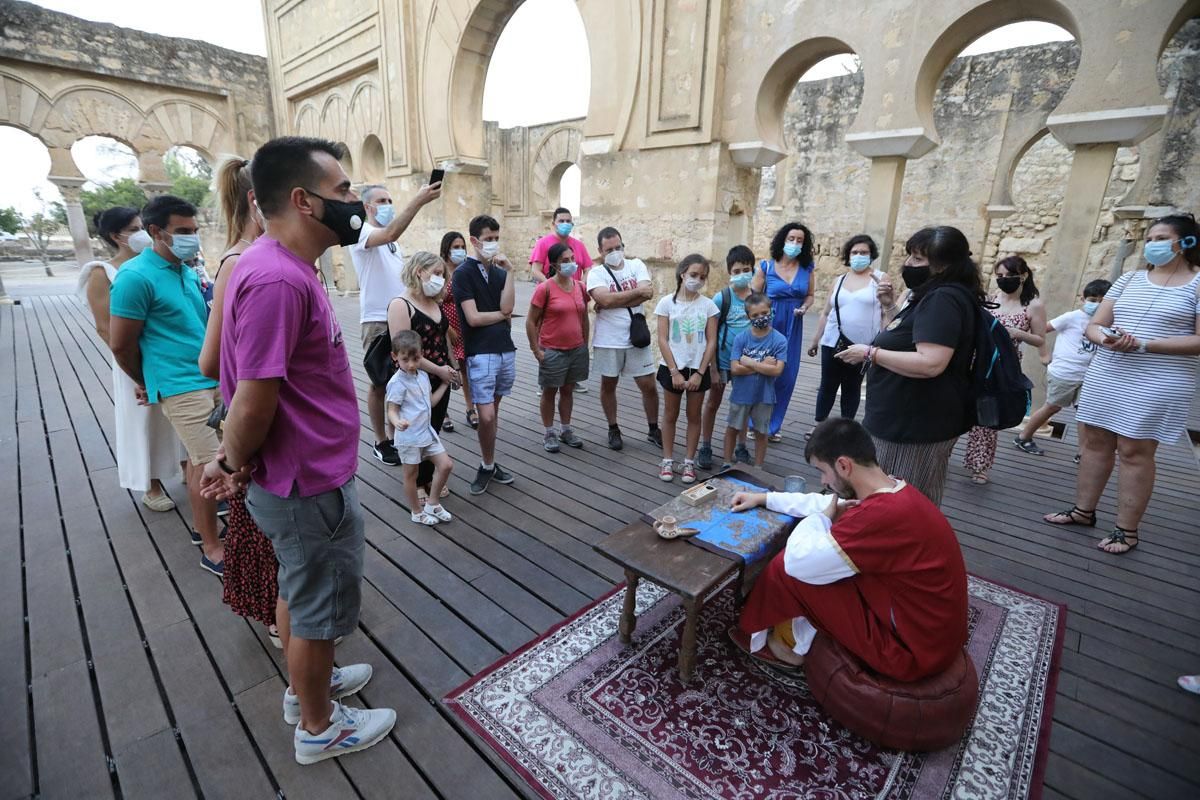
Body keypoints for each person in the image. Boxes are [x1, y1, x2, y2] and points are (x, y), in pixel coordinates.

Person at [201, 136, 394, 764]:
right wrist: (229, 464)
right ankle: (319, 727)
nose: (353, 201)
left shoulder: (266, 262)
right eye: (341, 190)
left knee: (298, 587)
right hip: (307, 483)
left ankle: (306, 687)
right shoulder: (280, 279)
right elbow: (254, 400)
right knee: (317, 606)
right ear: (303, 200)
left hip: (292, 476)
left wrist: (236, 461)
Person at [727, 418, 968, 680]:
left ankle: (788, 648)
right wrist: (765, 498)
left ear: (843, 465)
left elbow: (798, 561)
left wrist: (822, 520)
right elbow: (833, 504)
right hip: (932, 638)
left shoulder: (880, 516)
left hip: (910, 654)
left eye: (822, 471)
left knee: (788, 569)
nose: (823, 480)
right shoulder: (893, 490)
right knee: (821, 558)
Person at [1044, 214, 1200, 555]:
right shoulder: (1129, 279)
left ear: (1186, 243)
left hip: (1159, 379)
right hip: (1109, 372)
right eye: (1149, 238)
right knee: (1095, 441)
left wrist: (1144, 344)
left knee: (1134, 450)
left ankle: (1126, 531)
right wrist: (1106, 338)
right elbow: (1095, 325)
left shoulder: (1198, 284)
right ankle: (1083, 511)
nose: (1151, 244)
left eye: (1160, 237)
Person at [109, 194, 224, 575]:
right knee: (212, 466)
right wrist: (146, 381)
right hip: (180, 386)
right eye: (183, 231)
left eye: (195, 230)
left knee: (198, 463)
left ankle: (200, 528)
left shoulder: (184, 270)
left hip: (210, 378)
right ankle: (212, 547)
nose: (192, 238)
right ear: (156, 232)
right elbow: (121, 344)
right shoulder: (135, 277)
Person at [198, 156, 282, 644]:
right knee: (263, 524)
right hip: (250, 411)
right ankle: (277, 613)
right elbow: (211, 361)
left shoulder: (248, 256)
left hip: (257, 411)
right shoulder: (242, 261)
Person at [835, 227, 979, 508]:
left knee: (904, 502)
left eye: (917, 259)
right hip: (901, 421)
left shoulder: (943, 300)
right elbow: (903, 337)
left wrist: (869, 353)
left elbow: (931, 363)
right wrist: (890, 307)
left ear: (943, 265)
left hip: (914, 427)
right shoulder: (929, 296)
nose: (909, 265)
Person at [77, 206, 182, 513]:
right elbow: (105, 327)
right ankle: (150, 486)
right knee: (143, 420)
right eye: (134, 228)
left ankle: (187, 469)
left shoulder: (152, 265)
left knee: (175, 414)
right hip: (133, 360)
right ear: (115, 236)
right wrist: (137, 371)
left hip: (164, 353)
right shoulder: (102, 272)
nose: (142, 233)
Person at [347, 181, 442, 466]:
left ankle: (397, 434)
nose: (389, 205)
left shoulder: (391, 243)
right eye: (382, 200)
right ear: (367, 207)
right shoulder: (362, 232)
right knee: (379, 381)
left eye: (390, 200)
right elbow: (392, 229)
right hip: (377, 318)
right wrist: (420, 199)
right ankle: (380, 440)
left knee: (402, 375)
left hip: (401, 315)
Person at [962, 256, 1046, 484]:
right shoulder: (991, 298)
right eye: (999, 276)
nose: (1004, 280)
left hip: (1004, 366)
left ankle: (980, 466)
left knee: (988, 415)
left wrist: (1018, 333)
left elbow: (1040, 339)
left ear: (1024, 275)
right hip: (977, 359)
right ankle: (945, 452)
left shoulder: (1033, 304)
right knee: (959, 409)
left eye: (1009, 275)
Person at [386, 250, 459, 506]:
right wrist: (438, 370)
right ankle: (416, 481)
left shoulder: (435, 303)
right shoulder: (400, 304)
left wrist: (451, 366)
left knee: (433, 428)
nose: (440, 279)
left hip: (440, 377)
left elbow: (443, 338)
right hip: (414, 380)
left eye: (443, 275)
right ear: (420, 271)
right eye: (436, 273)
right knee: (414, 431)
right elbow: (404, 351)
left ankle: (428, 477)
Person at [452, 214, 518, 496]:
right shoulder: (463, 273)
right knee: (487, 416)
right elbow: (473, 318)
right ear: (475, 241)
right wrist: (501, 316)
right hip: (480, 353)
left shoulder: (501, 272)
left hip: (505, 350)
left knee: (494, 411)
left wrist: (512, 273)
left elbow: (509, 307)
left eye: (496, 238)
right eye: (488, 239)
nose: (493, 244)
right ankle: (486, 462)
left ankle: (489, 464)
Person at [1013, 279, 1112, 456]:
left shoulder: (1107, 323)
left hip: (1088, 375)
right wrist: (1044, 353)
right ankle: (1024, 436)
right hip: (1064, 373)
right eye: (1093, 299)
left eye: (1102, 301)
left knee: (1084, 412)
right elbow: (1041, 331)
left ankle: (1084, 453)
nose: (1096, 304)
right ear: (1083, 299)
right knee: (1052, 406)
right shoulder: (1072, 317)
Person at [587, 227, 661, 451]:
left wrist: (609, 301)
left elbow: (647, 292)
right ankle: (613, 428)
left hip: (635, 337)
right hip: (608, 339)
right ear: (600, 251)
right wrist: (629, 297)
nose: (615, 252)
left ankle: (653, 428)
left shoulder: (636, 265)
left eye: (618, 247)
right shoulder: (596, 273)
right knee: (609, 384)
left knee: (648, 384)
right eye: (609, 249)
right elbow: (604, 300)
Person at [654, 254, 719, 483]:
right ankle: (668, 460)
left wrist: (701, 372)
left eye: (702, 277)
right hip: (673, 367)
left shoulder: (708, 306)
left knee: (694, 415)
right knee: (670, 414)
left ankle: (689, 461)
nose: (697, 280)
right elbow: (662, 339)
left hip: (697, 369)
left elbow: (711, 341)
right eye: (693, 275)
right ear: (682, 273)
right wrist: (674, 371)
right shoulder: (666, 303)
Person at [806, 234, 884, 425]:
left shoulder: (880, 278)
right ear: (848, 256)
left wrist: (882, 344)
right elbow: (826, 312)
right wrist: (816, 340)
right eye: (854, 252)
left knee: (852, 386)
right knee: (827, 385)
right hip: (833, 339)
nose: (859, 256)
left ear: (871, 254)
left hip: (862, 343)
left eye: (863, 252)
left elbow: (886, 313)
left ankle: (846, 427)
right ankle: (819, 425)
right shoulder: (839, 280)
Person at [751, 222, 815, 441]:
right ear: (782, 240)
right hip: (769, 324)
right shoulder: (766, 267)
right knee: (762, 372)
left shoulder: (807, 268)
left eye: (800, 240)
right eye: (791, 239)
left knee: (787, 376)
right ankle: (755, 422)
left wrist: (805, 307)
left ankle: (773, 426)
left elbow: (810, 295)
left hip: (793, 324)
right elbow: (753, 296)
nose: (795, 243)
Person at [386, 330, 454, 525]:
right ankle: (416, 511)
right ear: (395, 357)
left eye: (415, 358)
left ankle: (432, 503)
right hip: (409, 437)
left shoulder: (422, 376)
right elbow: (391, 410)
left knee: (446, 465)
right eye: (405, 359)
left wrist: (444, 384)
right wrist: (397, 421)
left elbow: (430, 402)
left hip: (426, 433)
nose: (411, 364)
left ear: (421, 354)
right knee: (411, 475)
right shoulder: (397, 383)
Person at [526, 242, 589, 452]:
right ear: (554, 264)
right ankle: (549, 432)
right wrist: (537, 351)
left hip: (576, 348)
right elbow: (530, 321)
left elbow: (584, 317)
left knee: (568, 390)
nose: (571, 263)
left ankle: (566, 429)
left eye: (572, 259)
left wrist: (585, 344)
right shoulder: (545, 288)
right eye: (565, 261)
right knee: (549, 392)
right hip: (552, 349)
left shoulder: (580, 286)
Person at [698, 245, 755, 469]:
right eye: (737, 270)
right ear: (730, 272)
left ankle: (740, 446)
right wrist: (712, 367)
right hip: (722, 360)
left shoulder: (757, 299)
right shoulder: (722, 298)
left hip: (747, 362)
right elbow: (709, 333)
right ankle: (706, 445)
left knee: (744, 404)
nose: (742, 274)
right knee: (713, 402)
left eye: (746, 269)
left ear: (753, 270)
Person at [723, 293, 788, 469]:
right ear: (748, 317)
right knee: (733, 428)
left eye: (764, 313)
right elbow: (735, 369)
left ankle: (758, 467)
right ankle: (727, 462)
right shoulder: (741, 338)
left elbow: (777, 370)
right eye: (755, 315)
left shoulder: (779, 340)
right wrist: (762, 365)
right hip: (741, 394)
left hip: (765, 395)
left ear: (771, 311)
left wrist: (749, 362)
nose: (761, 318)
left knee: (761, 432)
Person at [440, 231, 474, 431]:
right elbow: (433, 300)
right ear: (446, 249)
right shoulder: (440, 271)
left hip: (464, 323)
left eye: (462, 247)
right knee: (444, 369)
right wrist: (446, 326)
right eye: (455, 247)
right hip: (445, 325)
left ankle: (470, 408)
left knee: (466, 368)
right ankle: (443, 411)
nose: (460, 251)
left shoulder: (467, 269)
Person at [529, 207, 593, 284]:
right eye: (561, 221)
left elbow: (588, 269)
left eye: (568, 221)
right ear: (553, 224)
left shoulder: (579, 245)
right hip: (549, 293)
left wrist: (580, 285)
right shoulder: (542, 243)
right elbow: (535, 270)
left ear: (572, 224)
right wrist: (551, 286)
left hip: (574, 293)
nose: (565, 223)